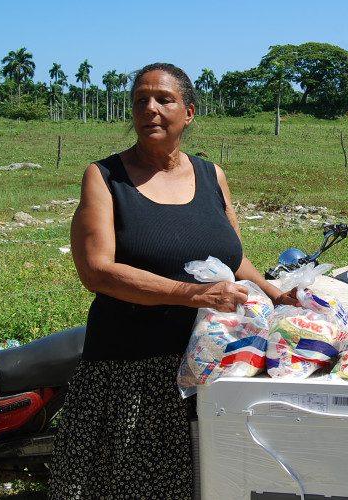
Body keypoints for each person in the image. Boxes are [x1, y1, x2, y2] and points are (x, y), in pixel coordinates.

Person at [49, 62, 298, 499]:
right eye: (140, 100)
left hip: (215, 363)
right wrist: (194, 294)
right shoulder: (105, 177)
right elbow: (96, 270)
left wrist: (277, 294)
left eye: (164, 99)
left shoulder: (211, 175)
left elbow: (233, 258)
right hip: (131, 371)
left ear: (189, 112)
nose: (150, 108)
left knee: (215, 480)